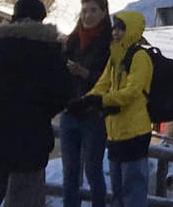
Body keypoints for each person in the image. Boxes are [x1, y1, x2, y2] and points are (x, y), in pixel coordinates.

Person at [0, 0, 73, 207]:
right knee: (26, 200)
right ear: (41, 19)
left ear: (14, 17)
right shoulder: (49, 51)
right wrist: (41, 113)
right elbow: (65, 93)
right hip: (33, 140)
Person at [71, 11, 153, 207]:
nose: (116, 33)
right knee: (117, 190)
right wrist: (87, 99)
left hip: (135, 131)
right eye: (115, 28)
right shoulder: (116, 56)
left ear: (131, 30)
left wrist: (102, 100)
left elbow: (133, 91)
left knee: (132, 189)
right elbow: (103, 82)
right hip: (116, 131)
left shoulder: (140, 57)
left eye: (121, 28)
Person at [60, 0, 112, 207]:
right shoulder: (71, 41)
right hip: (70, 112)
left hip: (94, 114)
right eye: (84, 11)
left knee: (92, 170)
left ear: (103, 13)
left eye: (93, 10)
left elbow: (109, 79)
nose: (87, 16)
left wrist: (86, 74)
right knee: (70, 172)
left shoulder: (109, 43)